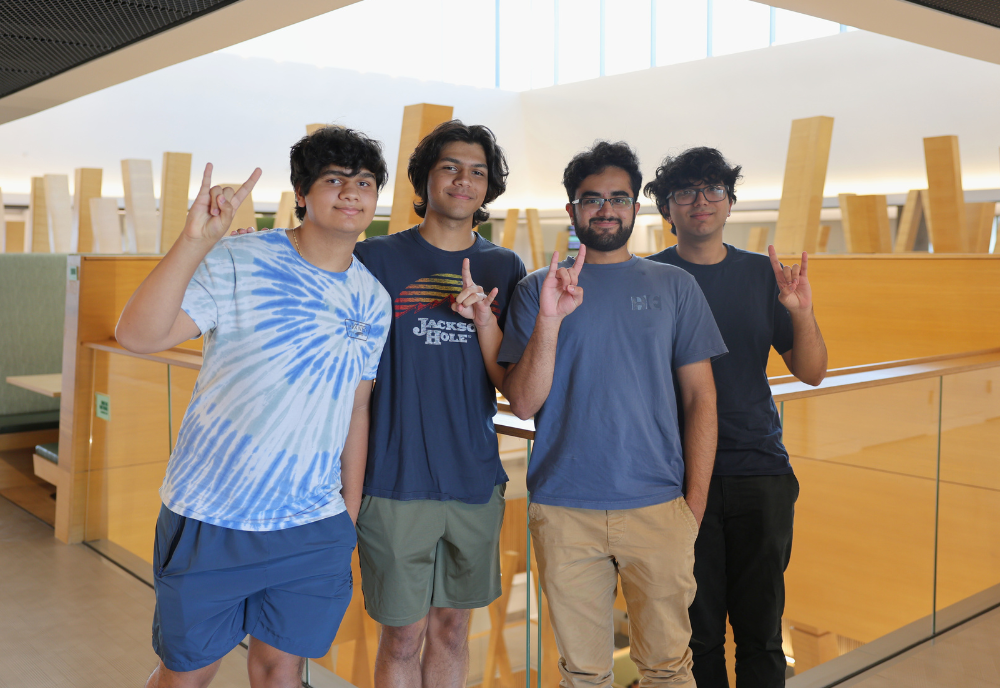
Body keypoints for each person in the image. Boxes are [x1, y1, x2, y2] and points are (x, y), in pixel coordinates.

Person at [116, 126, 392, 688]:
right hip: (211, 516)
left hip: (313, 525)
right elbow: (138, 336)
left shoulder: (373, 297)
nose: (350, 193)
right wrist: (195, 241)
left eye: (364, 182)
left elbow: (356, 409)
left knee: (279, 671)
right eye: (333, 179)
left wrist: (348, 513)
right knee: (188, 671)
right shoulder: (240, 259)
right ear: (302, 195)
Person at [499, 141, 728, 687]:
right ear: (573, 210)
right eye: (592, 199)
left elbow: (701, 400)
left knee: (670, 667)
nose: (606, 208)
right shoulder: (537, 289)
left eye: (619, 198)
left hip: (659, 507)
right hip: (564, 510)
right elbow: (524, 402)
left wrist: (690, 509)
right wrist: (551, 321)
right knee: (583, 673)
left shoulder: (675, 286)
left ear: (636, 208)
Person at [644, 146, 828, 688]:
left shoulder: (762, 274)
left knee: (761, 635)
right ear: (667, 210)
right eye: (685, 192)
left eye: (713, 190)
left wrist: (801, 312)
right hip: (675, 478)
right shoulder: (649, 278)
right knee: (694, 636)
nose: (701, 201)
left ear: (729, 204)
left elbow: (812, 371)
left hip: (760, 470)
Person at [352, 121, 525, 688]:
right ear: (425, 179)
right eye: (450, 166)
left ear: (489, 187)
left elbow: (512, 383)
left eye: (478, 170)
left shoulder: (505, 269)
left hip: (474, 479)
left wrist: (482, 321)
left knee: (452, 627)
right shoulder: (375, 258)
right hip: (394, 480)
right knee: (402, 634)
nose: (464, 179)